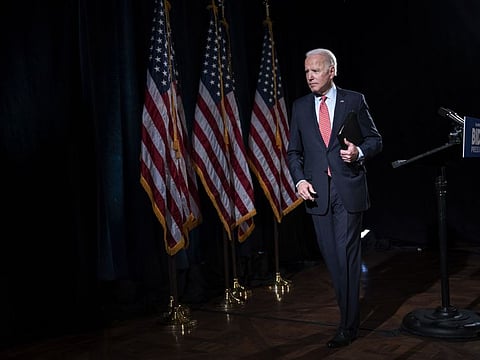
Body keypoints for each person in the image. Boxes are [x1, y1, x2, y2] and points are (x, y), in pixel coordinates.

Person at [287, 48, 383, 348]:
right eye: (306, 71)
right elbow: (293, 152)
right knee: (333, 258)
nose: (310, 76)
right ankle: (348, 318)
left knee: (346, 255)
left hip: (348, 189)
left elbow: (375, 140)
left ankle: (347, 325)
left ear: (332, 71)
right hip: (318, 195)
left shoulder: (353, 100)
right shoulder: (300, 106)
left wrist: (359, 152)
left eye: (315, 70)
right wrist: (300, 180)